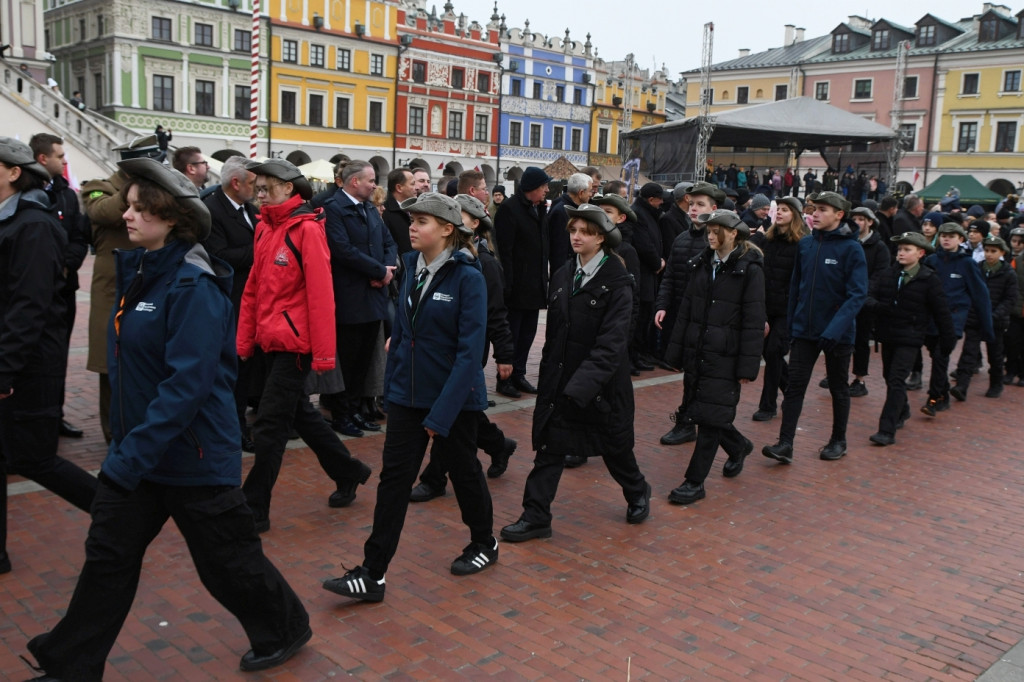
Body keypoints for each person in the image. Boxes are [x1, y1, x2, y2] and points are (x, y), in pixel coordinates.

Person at [25, 157, 312, 679]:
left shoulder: (192, 286)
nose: (126, 216)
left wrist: (126, 454)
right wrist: (128, 451)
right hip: (142, 458)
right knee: (107, 560)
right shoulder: (142, 273)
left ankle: (285, 625)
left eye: (139, 209)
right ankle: (71, 664)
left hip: (193, 457)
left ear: (171, 219)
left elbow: (186, 387)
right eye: (129, 206)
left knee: (226, 563)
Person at [323, 192, 495, 602]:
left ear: (448, 229)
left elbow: (471, 355)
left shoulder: (469, 277)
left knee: (464, 471)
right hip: (407, 396)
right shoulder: (412, 265)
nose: (412, 227)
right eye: (412, 220)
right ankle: (373, 572)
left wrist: (441, 417)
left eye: (421, 221)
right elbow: (401, 329)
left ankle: (484, 542)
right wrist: (394, 383)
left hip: (452, 400)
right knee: (394, 481)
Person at [500, 204, 651, 543]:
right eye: (572, 231)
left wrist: (581, 386)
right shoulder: (565, 273)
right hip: (560, 383)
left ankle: (638, 489)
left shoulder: (618, 280)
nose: (576, 237)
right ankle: (536, 516)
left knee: (615, 449)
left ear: (601, 237)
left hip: (601, 390)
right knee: (549, 450)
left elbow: (612, 345)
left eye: (585, 231)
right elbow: (554, 334)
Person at [237, 159, 372, 533]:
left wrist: (324, 355)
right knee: (300, 415)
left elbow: (321, 296)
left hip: (295, 346)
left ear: (288, 187)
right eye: (257, 188)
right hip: (270, 341)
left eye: (266, 188)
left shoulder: (307, 230)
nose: (259, 194)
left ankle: (254, 506)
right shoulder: (265, 228)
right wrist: (245, 340)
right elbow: (253, 290)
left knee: (269, 425)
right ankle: (349, 471)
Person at [0, 138, 97, 576]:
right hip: (14, 358)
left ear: (13, 172)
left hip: (28, 363)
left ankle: (118, 514)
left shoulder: (32, 225)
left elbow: (29, 306)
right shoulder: (12, 222)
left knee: (34, 458)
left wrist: (5, 370)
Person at [409, 193, 517, 501]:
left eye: (461, 215)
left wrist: (505, 353)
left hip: (466, 354)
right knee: (461, 415)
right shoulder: (434, 261)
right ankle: (499, 445)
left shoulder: (483, 265)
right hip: (436, 353)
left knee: (452, 416)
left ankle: (434, 478)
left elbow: (496, 313)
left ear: (473, 225)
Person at [664, 209, 766, 504]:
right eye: (708, 230)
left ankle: (694, 482)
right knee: (706, 410)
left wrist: (748, 364)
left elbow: (753, 319)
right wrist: (676, 351)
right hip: (699, 351)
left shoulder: (750, 269)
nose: (710, 235)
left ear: (733, 233)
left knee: (709, 420)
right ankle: (737, 446)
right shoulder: (701, 264)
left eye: (716, 230)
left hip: (726, 355)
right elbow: (686, 310)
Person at [762, 191, 868, 464]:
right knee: (795, 388)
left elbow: (857, 295)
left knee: (837, 387)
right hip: (804, 332)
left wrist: (834, 331)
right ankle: (785, 443)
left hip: (837, 335)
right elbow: (796, 287)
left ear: (839, 214)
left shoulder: (851, 248)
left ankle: (838, 440)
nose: (815, 214)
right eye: (814, 209)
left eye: (822, 209)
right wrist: (792, 324)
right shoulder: (806, 245)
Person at [83, 134, 163, 443]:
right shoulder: (98, 187)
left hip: (148, 290)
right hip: (113, 294)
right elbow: (102, 212)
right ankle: (114, 435)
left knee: (144, 368)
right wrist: (139, 185)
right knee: (112, 372)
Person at [320, 161, 396, 437]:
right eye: (371, 180)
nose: (375, 184)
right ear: (355, 182)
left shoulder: (369, 209)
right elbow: (342, 250)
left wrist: (387, 271)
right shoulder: (334, 209)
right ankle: (342, 414)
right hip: (350, 298)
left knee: (363, 361)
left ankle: (354, 410)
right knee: (348, 361)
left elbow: (388, 242)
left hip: (374, 295)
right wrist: (378, 271)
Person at [865, 232, 955, 446]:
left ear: (920, 253)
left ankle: (886, 430)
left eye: (907, 249)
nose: (901, 253)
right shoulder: (888, 274)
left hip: (911, 338)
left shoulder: (929, 279)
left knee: (896, 379)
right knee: (889, 377)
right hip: (888, 335)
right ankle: (903, 409)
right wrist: (879, 308)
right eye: (900, 249)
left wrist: (947, 339)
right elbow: (868, 296)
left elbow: (941, 312)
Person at [30, 132, 90, 438]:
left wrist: (68, 264)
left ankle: (55, 415)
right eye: (60, 156)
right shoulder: (26, 193)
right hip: (32, 293)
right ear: (43, 158)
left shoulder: (67, 194)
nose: (65, 161)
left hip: (63, 291)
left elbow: (79, 236)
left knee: (58, 356)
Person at [654, 182, 724, 444]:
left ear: (713, 209)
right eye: (691, 204)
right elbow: (670, 277)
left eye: (701, 205)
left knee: (702, 377)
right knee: (690, 373)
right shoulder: (681, 239)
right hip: (685, 320)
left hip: (710, 321)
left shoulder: (719, 240)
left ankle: (694, 424)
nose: (694, 209)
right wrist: (661, 305)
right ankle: (688, 423)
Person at [201, 156, 259, 451]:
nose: (257, 188)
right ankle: (233, 429)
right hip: (230, 301)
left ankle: (241, 424)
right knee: (232, 370)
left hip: (251, 301)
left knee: (247, 370)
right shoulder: (212, 210)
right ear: (235, 183)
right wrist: (260, 251)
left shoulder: (250, 208)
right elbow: (219, 256)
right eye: (252, 183)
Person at [920, 222, 993, 416]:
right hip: (930, 320)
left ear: (960, 239)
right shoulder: (932, 261)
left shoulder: (967, 264)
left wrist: (988, 328)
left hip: (953, 320)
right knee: (935, 356)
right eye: (943, 235)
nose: (946, 238)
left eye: (951, 236)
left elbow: (980, 295)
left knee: (940, 357)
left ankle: (933, 399)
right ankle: (942, 392)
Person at [494, 166, 551, 397]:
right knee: (512, 333)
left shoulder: (539, 209)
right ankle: (504, 379)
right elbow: (504, 251)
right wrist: (507, 283)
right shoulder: (510, 209)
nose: (547, 190)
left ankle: (519, 374)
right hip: (516, 285)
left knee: (527, 334)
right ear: (533, 188)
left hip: (535, 283)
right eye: (544, 186)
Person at [750, 196, 808, 421]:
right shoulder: (768, 239)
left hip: (788, 309)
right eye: (778, 209)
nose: (780, 213)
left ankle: (768, 405)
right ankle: (792, 392)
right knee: (769, 353)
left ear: (795, 214)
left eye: (785, 209)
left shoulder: (803, 243)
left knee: (774, 351)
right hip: (767, 306)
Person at [950, 235, 1017, 400]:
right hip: (975, 319)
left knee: (995, 355)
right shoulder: (977, 268)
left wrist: (994, 315)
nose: (989, 254)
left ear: (1001, 252)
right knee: (968, 353)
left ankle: (996, 384)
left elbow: (1010, 299)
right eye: (987, 250)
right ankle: (962, 386)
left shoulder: (1008, 273)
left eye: (993, 251)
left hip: (996, 321)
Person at [846, 206, 891, 397]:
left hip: (864, 300)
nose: (857, 222)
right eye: (854, 218)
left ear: (870, 222)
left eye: (862, 219)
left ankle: (859, 378)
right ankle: (835, 374)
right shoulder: (846, 242)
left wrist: (863, 294)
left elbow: (880, 274)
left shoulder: (879, 247)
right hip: (844, 298)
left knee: (861, 340)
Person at [382, 167, 416, 254]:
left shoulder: (415, 209)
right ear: (399, 188)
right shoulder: (384, 211)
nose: (416, 188)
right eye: (412, 184)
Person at [1006, 227, 1024, 386]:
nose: (1017, 245)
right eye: (1015, 241)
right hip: (1016, 310)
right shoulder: (1015, 262)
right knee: (1012, 342)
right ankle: (1010, 371)